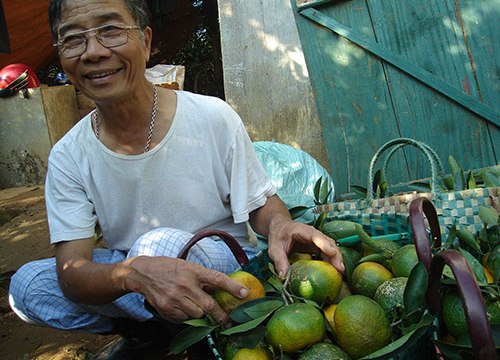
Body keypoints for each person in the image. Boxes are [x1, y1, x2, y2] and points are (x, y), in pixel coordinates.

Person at [9, 0, 344, 340]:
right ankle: (162, 323)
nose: (93, 51)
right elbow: (72, 273)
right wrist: (132, 275)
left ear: (146, 41)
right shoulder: (69, 155)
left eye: (110, 30)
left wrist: (280, 224)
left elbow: (262, 204)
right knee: (28, 287)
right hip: (136, 266)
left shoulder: (211, 116)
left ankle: (178, 317)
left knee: (158, 245)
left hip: (221, 262)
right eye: (73, 38)